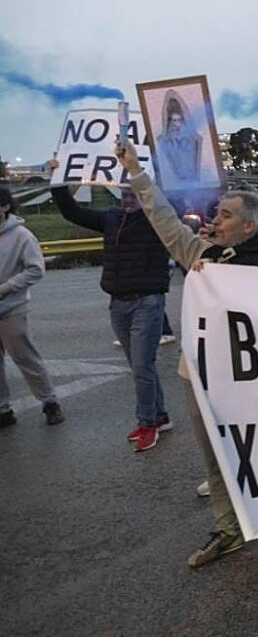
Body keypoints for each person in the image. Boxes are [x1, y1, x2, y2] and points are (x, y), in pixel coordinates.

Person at [114, 139, 258, 572]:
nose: (215, 220)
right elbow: (163, 220)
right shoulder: (199, 254)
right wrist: (137, 171)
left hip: (247, 381)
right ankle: (228, 528)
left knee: (257, 456)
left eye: (225, 215)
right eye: (216, 213)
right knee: (215, 459)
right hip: (197, 376)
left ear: (249, 227)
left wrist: (222, 280)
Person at [50, 166, 170, 450]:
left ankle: (147, 423)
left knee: (142, 366)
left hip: (147, 301)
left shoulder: (158, 220)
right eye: (125, 191)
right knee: (141, 366)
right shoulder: (111, 219)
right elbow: (72, 212)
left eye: (135, 192)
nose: (129, 197)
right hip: (118, 303)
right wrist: (57, 181)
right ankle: (161, 416)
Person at [0, 187, 64, 428]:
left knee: (24, 356)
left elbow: (36, 269)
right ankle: (3, 410)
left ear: (5, 207)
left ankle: (50, 403)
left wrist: (5, 288)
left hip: (12, 308)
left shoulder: (21, 236)